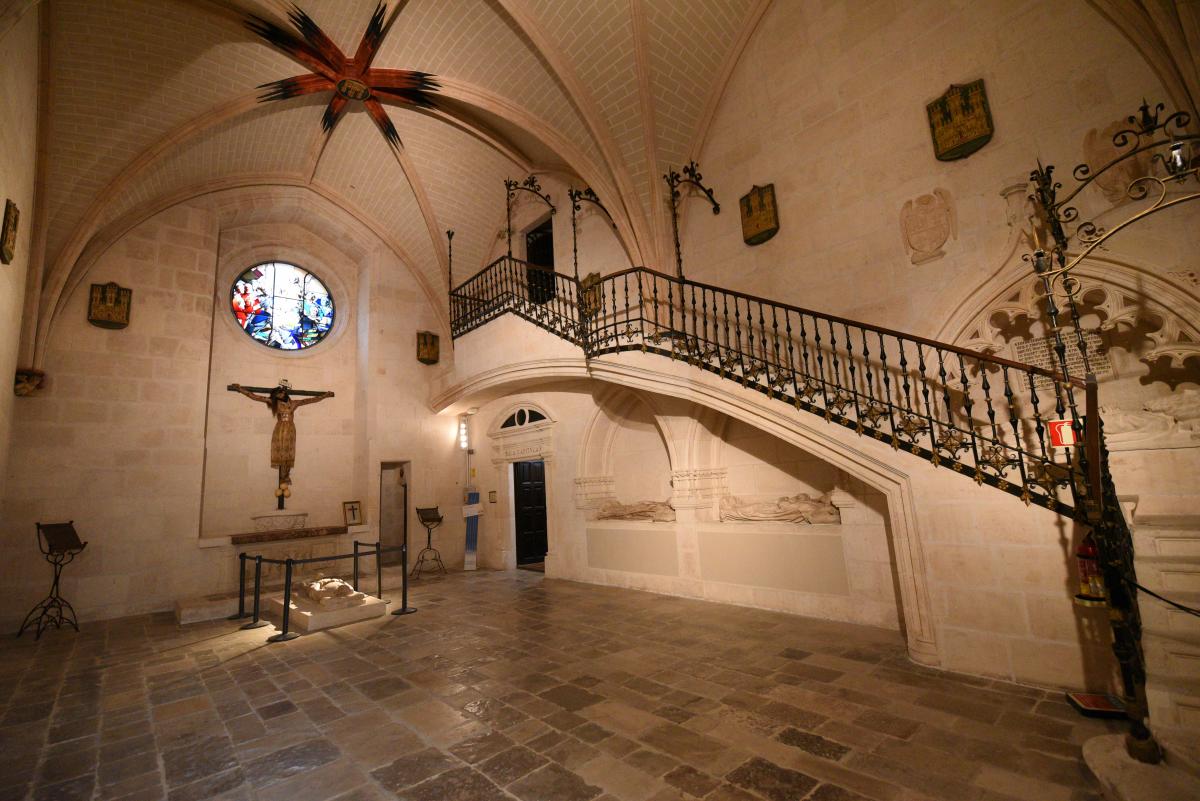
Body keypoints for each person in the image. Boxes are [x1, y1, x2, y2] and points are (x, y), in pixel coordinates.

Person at [230, 383, 334, 487]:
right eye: (277, 395)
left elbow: (310, 400)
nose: (279, 395)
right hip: (280, 430)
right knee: (282, 451)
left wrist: (325, 395)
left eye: (280, 393)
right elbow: (255, 397)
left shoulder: (294, 403)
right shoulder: (274, 403)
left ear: (284, 392)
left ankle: (286, 475)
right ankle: (283, 476)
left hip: (290, 430)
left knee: (289, 451)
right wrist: (240, 389)